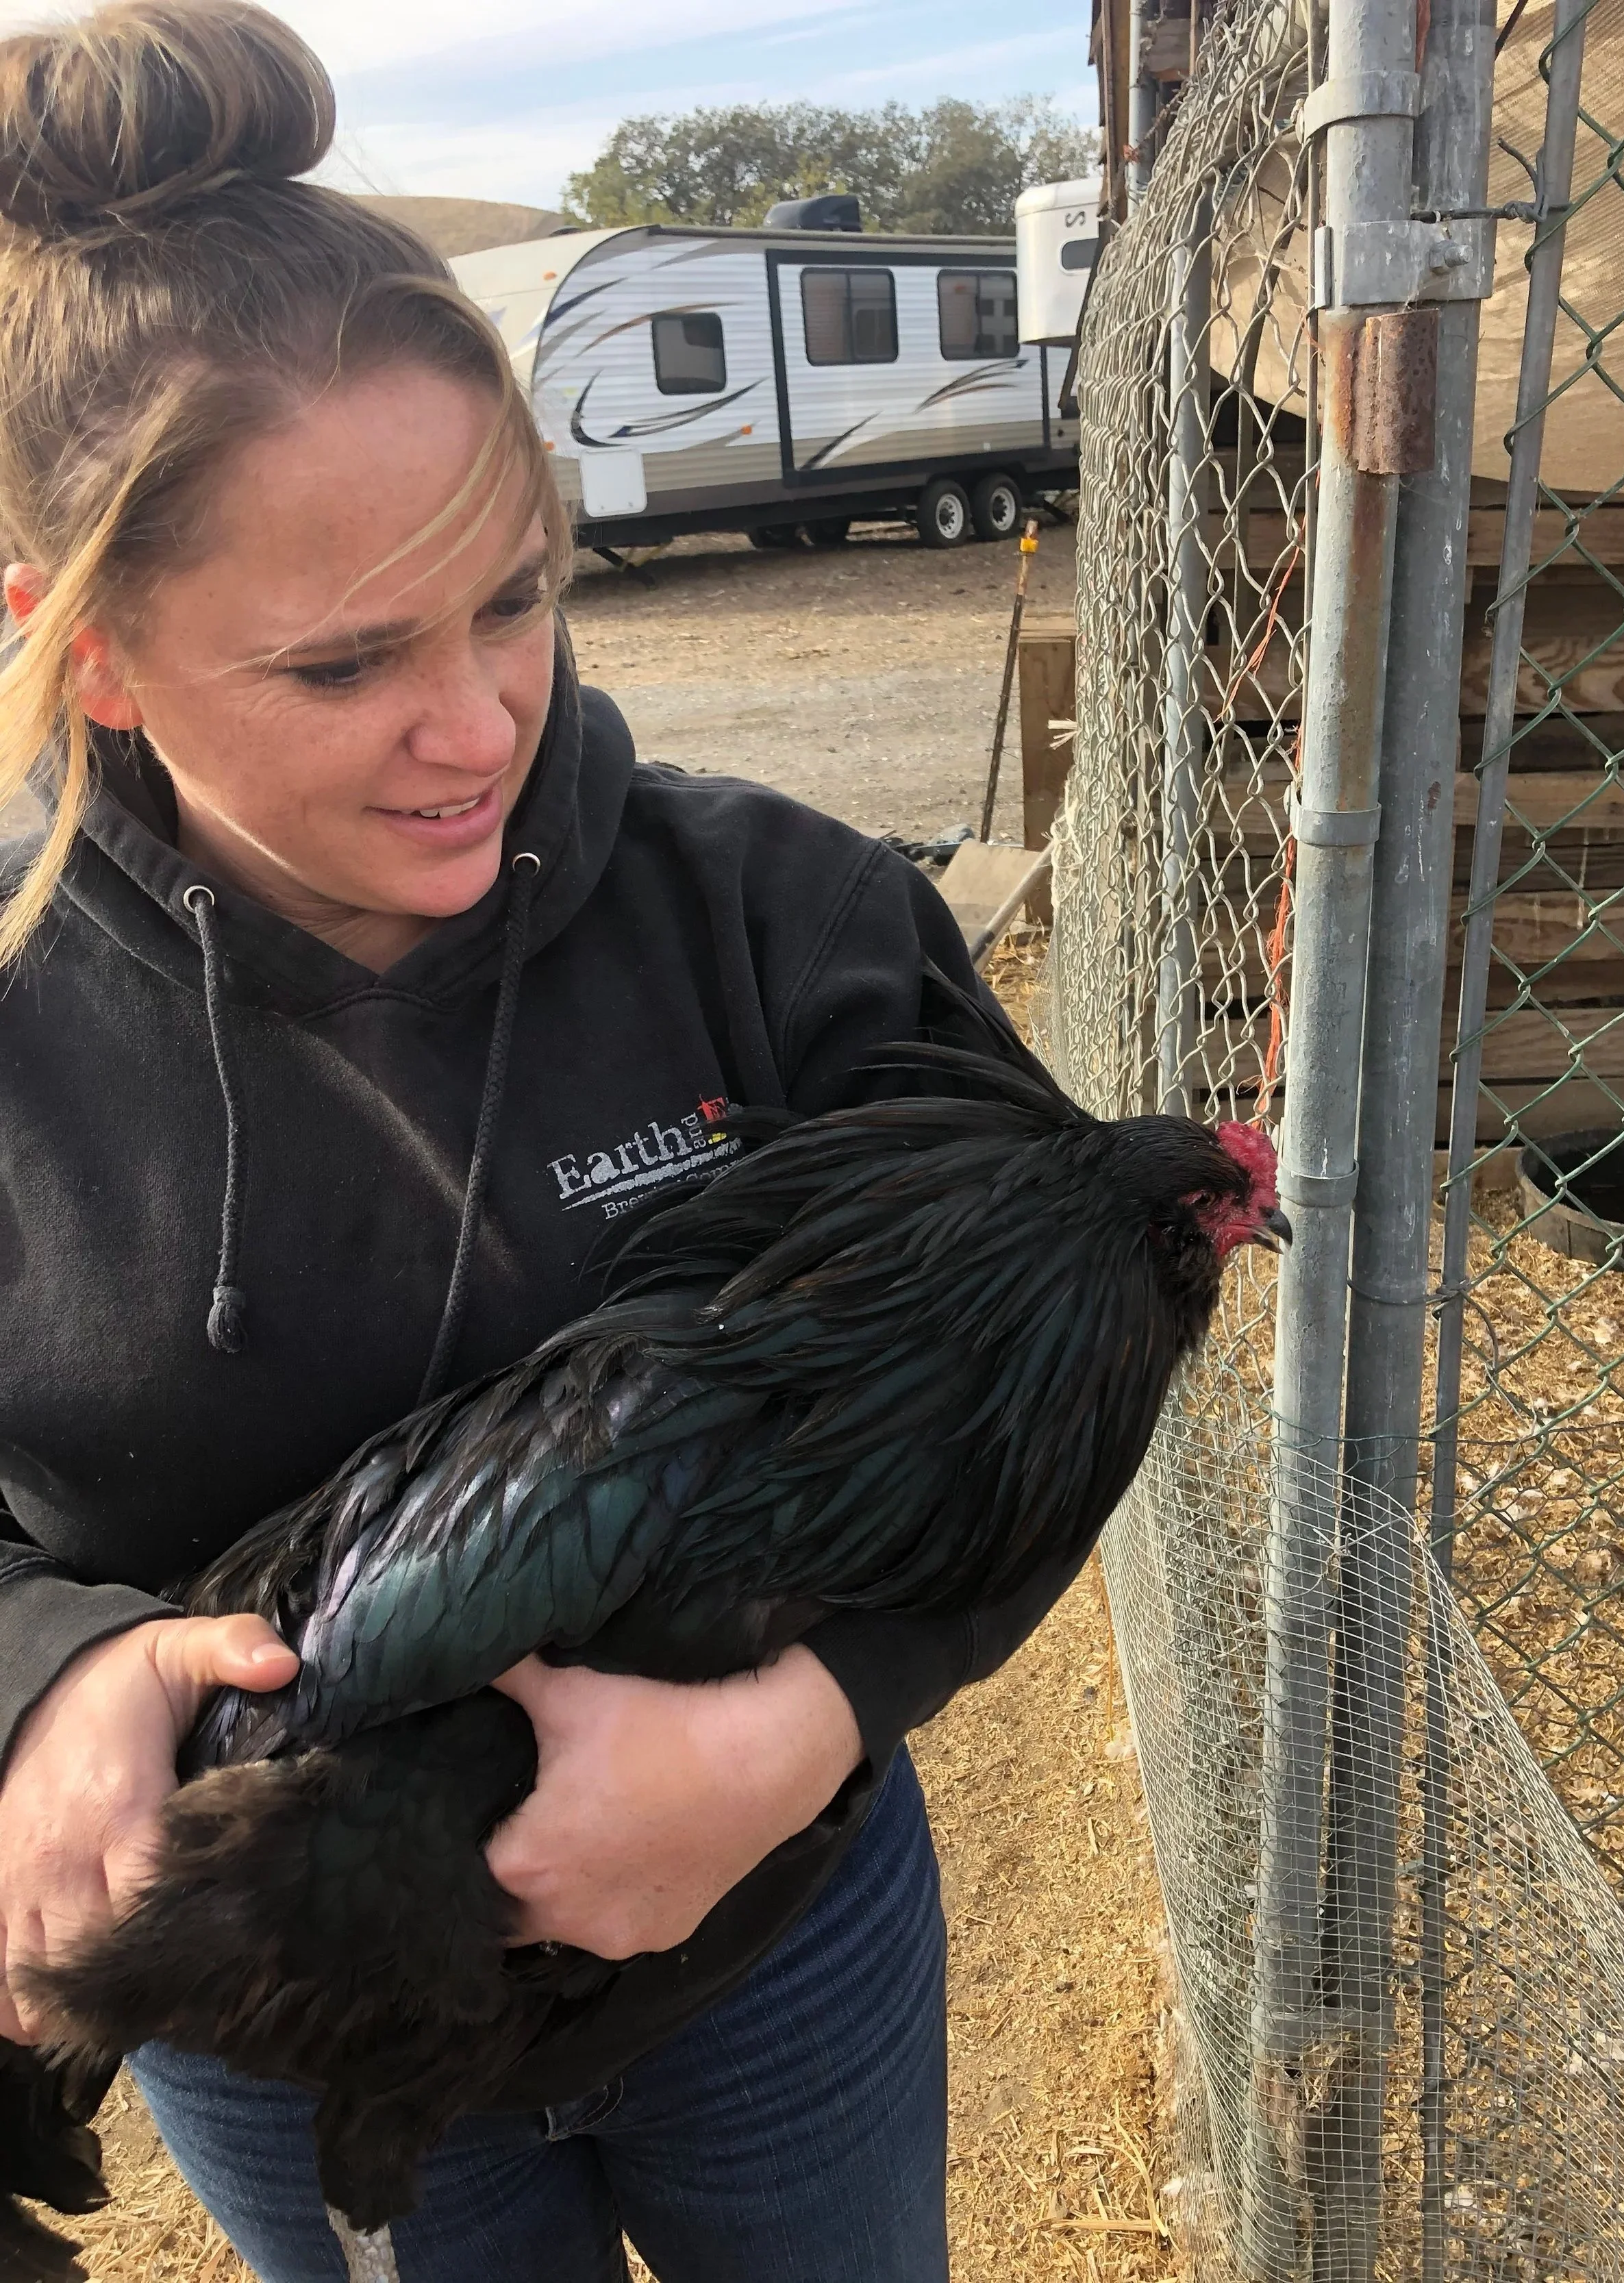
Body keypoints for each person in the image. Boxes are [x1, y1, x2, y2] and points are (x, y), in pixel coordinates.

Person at [0, 6, 1070, 2280]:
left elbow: (1055, 1381)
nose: (478, 722)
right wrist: (48, 1674)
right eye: (342, 661)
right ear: (85, 650)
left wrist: (812, 1723)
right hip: (300, 2013)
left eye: (517, 596)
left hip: (776, 1957)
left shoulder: (790, 921)